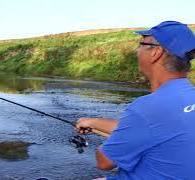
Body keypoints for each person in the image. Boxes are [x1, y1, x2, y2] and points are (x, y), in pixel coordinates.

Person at [75, 21, 195, 179]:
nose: (137, 50)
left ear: (156, 53)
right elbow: (155, 127)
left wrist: (118, 140)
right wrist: (92, 122)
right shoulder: (187, 98)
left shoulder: (148, 108)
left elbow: (104, 162)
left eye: (141, 44)